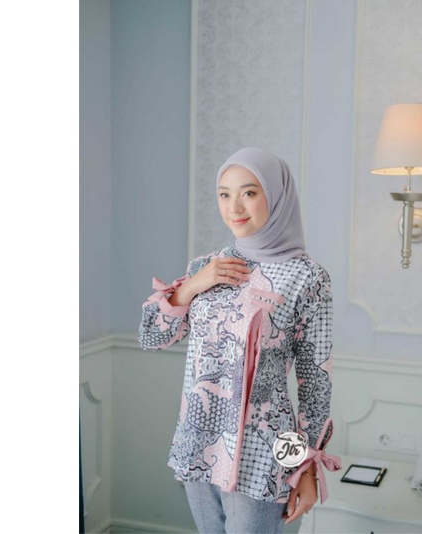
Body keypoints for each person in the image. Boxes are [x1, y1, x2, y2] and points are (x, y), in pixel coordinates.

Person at [138, 147, 340, 533]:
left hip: (264, 454)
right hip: (198, 445)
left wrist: (307, 468)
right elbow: (151, 337)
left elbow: (315, 383)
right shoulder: (206, 266)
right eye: (224, 194)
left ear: (276, 196)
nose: (234, 207)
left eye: (249, 192)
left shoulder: (308, 277)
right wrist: (192, 286)